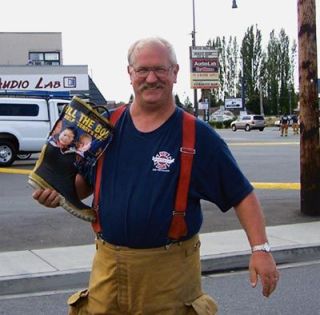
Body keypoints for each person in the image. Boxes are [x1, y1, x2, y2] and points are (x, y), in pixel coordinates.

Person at [32, 37, 279, 315]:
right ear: (130, 74)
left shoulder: (197, 136)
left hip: (169, 278)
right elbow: (83, 186)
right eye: (142, 70)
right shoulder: (104, 127)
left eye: (160, 69)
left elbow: (242, 195)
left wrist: (260, 249)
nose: (151, 78)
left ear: (175, 73)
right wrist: (57, 194)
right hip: (106, 272)